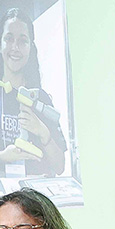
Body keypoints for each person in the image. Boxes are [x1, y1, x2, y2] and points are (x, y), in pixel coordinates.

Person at [0, 8, 66, 176]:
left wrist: (43, 132)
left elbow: (59, 167)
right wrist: (3, 157)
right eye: (9, 38)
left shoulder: (40, 98)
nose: (15, 47)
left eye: (23, 41)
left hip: (33, 198)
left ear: (31, 47)